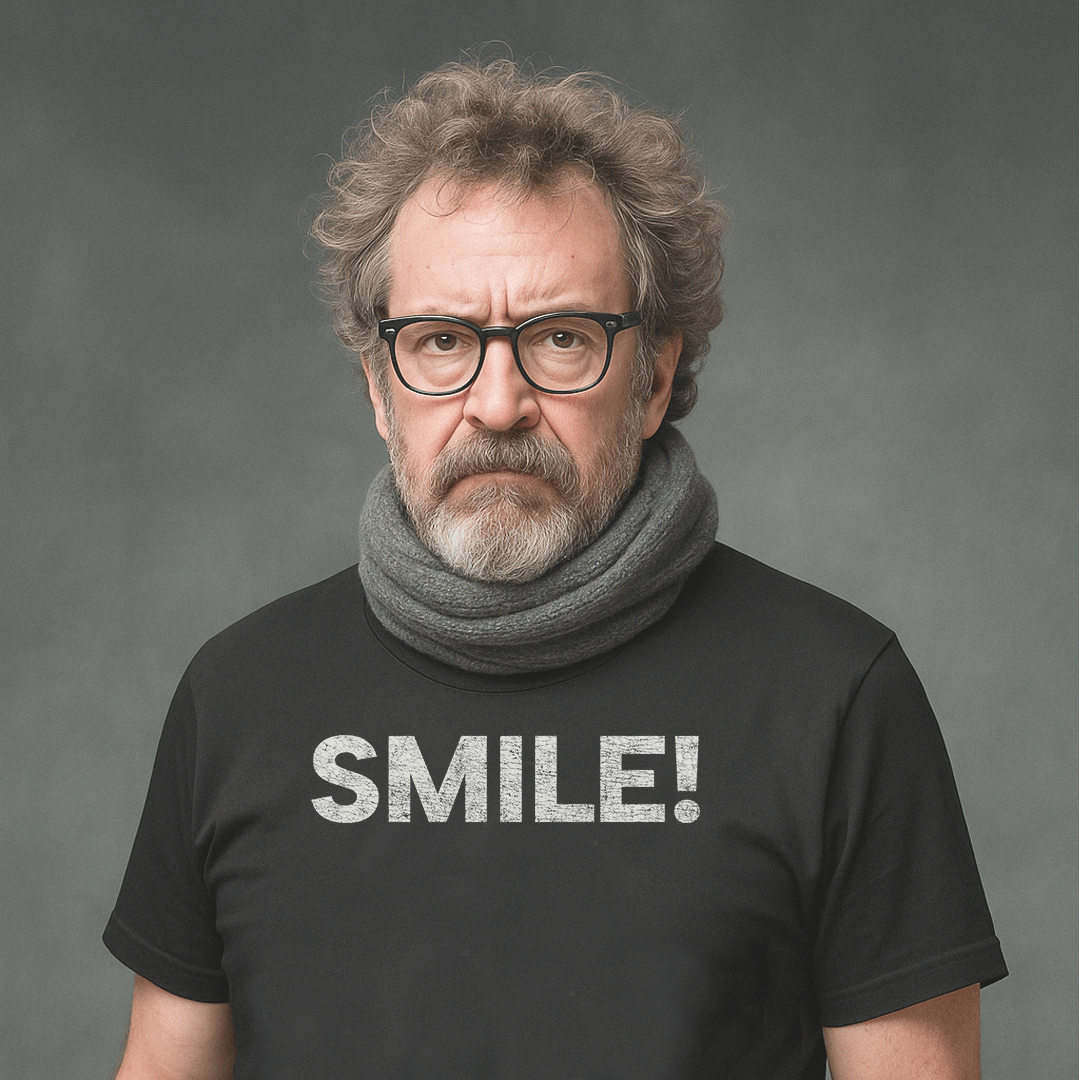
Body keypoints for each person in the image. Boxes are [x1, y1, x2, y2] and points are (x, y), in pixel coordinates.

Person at [104, 60, 1006, 1080]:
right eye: (441, 340)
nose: (497, 403)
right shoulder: (238, 696)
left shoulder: (837, 695)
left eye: (562, 338)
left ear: (655, 377)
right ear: (377, 386)